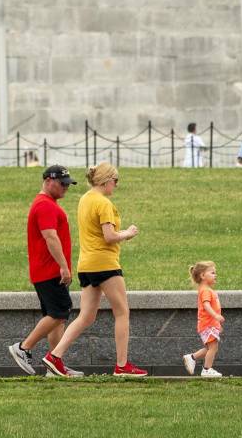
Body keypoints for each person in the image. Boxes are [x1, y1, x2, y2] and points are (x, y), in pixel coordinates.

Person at [42, 162, 147, 378]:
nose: (115, 186)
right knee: (122, 312)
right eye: (115, 182)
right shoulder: (104, 203)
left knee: (86, 316)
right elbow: (109, 237)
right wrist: (128, 233)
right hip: (105, 263)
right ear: (107, 181)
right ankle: (122, 365)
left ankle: (55, 355)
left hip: (86, 265)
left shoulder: (85, 199)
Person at [8, 166, 83, 377]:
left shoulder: (47, 204)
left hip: (46, 271)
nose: (66, 188)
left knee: (56, 317)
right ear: (49, 181)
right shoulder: (45, 206)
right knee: (60, 312)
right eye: (63, 183)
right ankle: (23, 348)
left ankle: (55, 364)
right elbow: (50, 237)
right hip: (50, 270)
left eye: (68, 184)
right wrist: (64, 266)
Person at [182, 261, 225, 378]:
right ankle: (206, 369)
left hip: (210, 324)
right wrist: (216, 317)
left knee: (210, 348)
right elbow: (206, 306)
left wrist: (217, 324)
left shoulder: (206, 289)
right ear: (202, 276)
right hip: (207, 324)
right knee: (213, 347)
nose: (215, 275)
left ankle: (192, 357)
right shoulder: (205, 290)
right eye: (212, 273)